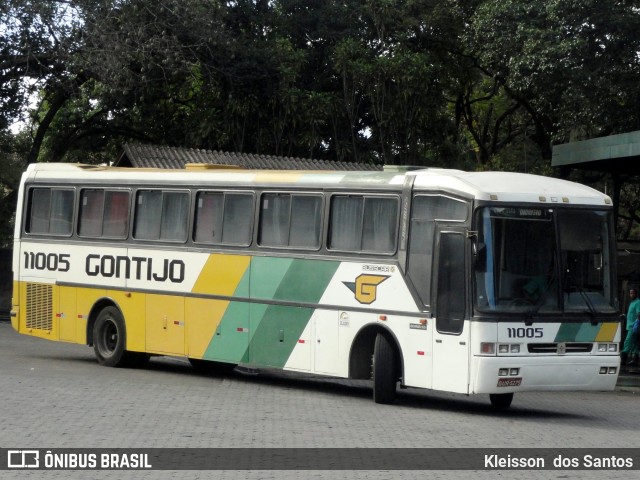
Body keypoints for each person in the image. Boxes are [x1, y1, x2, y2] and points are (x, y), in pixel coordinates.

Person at [622, 288, 640, 366]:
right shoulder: (632, 303)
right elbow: (631, 314)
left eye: (633, 293)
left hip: (633, 326)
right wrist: (625, 316)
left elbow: (639, 314)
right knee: (635, 343)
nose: (631, 295)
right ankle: (635, 360)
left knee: (627, 342)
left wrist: (636, 324)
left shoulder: (638, 302)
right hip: (631, 325)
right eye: (630, 293)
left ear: (636, 294)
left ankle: (623, 359)